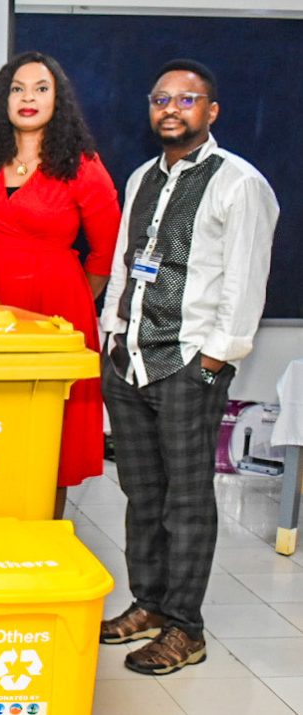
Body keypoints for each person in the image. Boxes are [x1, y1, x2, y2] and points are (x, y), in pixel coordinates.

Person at [99, 59, 278, 675]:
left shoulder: (238, 183)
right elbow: (126, 263)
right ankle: (149, 605)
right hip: (129, 360)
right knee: (141, 492)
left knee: (187, 500)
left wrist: (213, 359)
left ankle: (185, 628)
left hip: (188, 364)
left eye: (186, 99)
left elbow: (246, 281)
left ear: (211, 110)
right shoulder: (141, 177)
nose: (171, 109)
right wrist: (111, 333)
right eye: (161, 99)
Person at [0, 51, 120, 517]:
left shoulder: (83, 166)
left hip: (56, 312)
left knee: (52, 432)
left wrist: (72, 301)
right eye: (17, 88)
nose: (28, 97)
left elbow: (107, 251)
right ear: (3, 99)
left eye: (41, 88)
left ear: (58, 100)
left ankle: (44, 532)